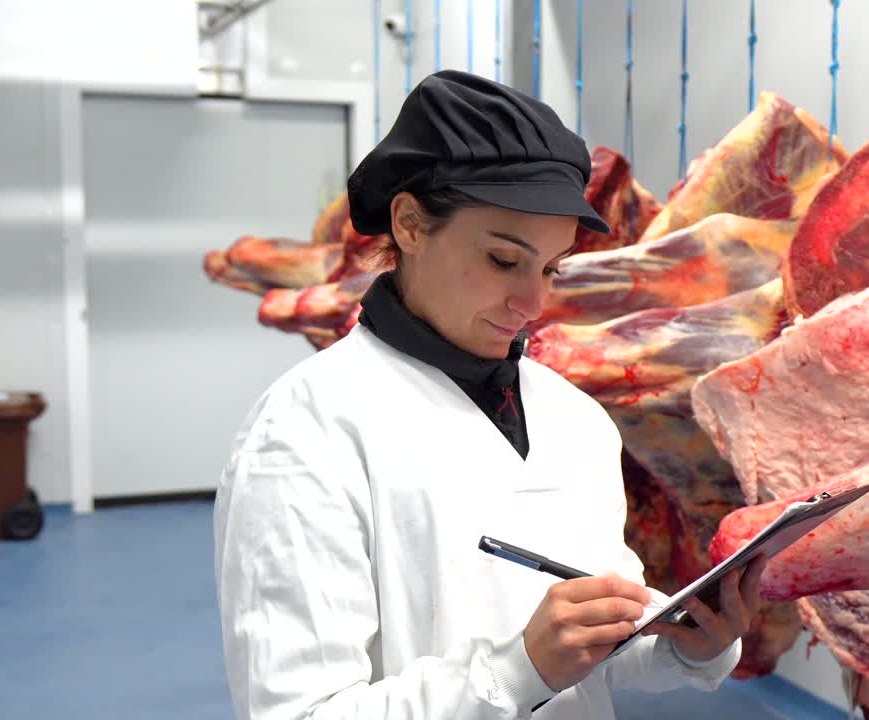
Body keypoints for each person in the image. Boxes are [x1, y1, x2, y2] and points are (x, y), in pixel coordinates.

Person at [213, 70, 767, 720]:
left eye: (551, 268)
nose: (533, 302)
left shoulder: (575, 418)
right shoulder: (306, 429)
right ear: (410, 224)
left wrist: (686, 644)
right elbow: (298, 712)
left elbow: (603, 649)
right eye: (505, 260)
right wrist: (516, 671)